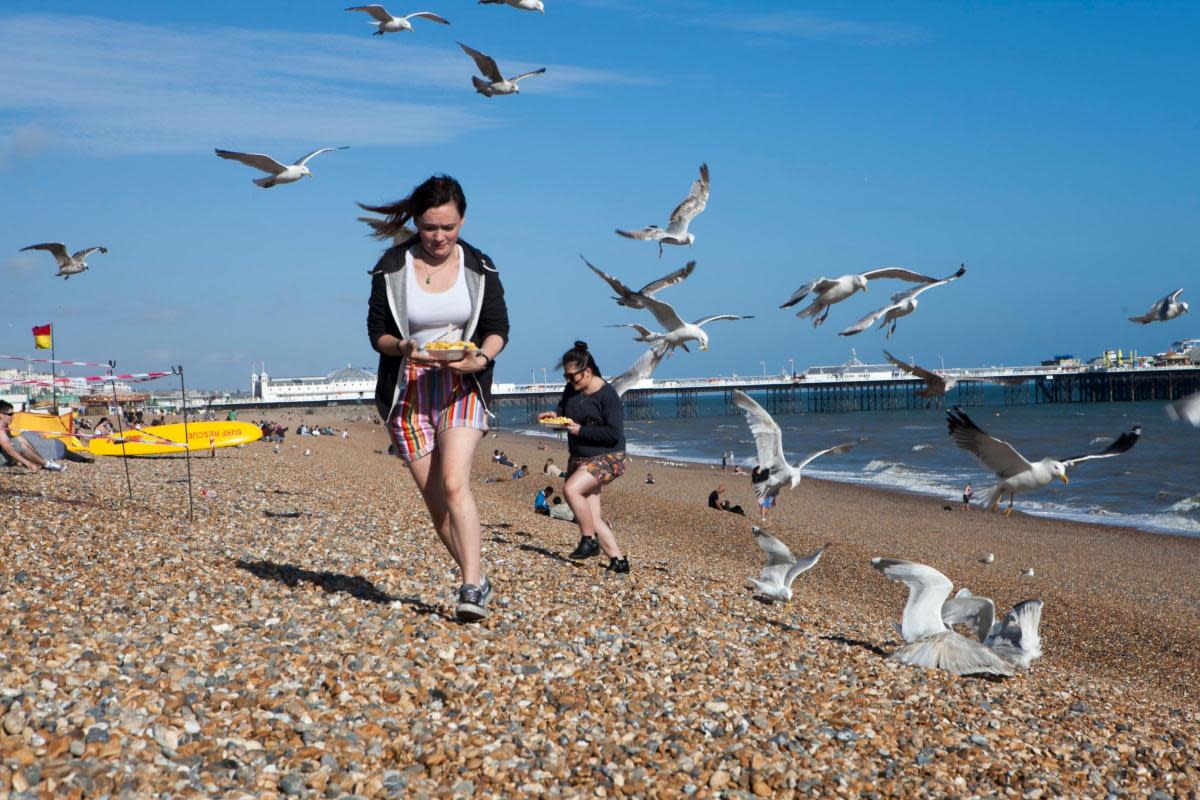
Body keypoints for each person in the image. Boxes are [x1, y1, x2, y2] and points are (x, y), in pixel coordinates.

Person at [365, 174, 509, 622]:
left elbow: (497, 327)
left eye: (448, 227)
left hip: (461, 382)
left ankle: (469, 588)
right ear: (416, 223)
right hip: (407, 389)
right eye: (430, 228)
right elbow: (377, 335)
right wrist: (404, 347)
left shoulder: (479, 267)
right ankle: (478, 576)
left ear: (462, 221)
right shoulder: (391, 267)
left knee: (453, 482)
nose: (439, 237)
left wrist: (480, 360)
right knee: (436, 506)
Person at [539, 341, 628, 572]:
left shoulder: (608, 396)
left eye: (573, 377)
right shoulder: (572, 390)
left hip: (608, 458)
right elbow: (563, 410)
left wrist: (580, 431)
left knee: (570, 490)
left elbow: (613, 433)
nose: (569, 381)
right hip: (580, 459)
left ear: (587, 372)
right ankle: (619, 561)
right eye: (566, 377)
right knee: (591, 517)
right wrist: (554, 415)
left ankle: (588, 541)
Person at [0, 401, 65, 471]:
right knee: (20, 444)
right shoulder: (1, 430)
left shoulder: (6, 427)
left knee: (20, 439)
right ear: (1, 415)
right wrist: (28, 463)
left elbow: (10, 443)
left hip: (5, 455)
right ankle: (48, 464)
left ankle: (42, 460)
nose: (13, 417)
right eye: (10, 414)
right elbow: (9, 451)